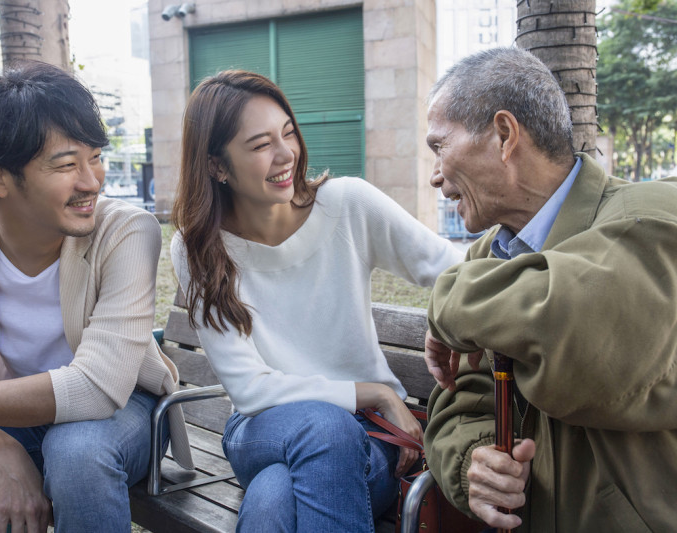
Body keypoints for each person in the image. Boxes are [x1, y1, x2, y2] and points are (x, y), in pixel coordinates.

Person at [0, 62, 192, 533]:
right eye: (67, 164)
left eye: (95, 157)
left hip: (122, 412)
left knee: (76, 455)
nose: (92, 180)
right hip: (1, 416)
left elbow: (96, 387)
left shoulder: (128, 230)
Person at [170, 69, 463, 532]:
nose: (286, 153)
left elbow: (452, 268)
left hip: (369, 440)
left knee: (273, 497)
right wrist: (378, 393)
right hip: (261, 431)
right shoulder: (198, 249)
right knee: (324, 428)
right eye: (260, 144)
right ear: (216, 166)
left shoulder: (347, 205)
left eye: (288, 132)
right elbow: (251, 390)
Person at [422, 47, 677, 532]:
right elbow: (461, 396)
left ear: (504, 135)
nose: (436, 176)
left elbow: (577, 336)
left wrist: (447, 300)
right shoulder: (486, 259)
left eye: (440, 147)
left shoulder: (656, 215)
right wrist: (472, 461)